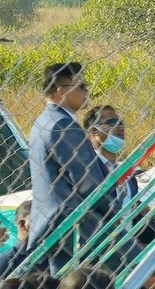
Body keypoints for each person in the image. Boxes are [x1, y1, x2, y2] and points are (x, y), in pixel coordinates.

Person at [26, 61, 110, 256]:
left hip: (54, 225)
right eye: (80, 86)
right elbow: (87, 180)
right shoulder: (62, 125)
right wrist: (113, 210)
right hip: (70, 227)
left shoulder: (44, 121)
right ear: (60, 91)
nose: (86, 91)